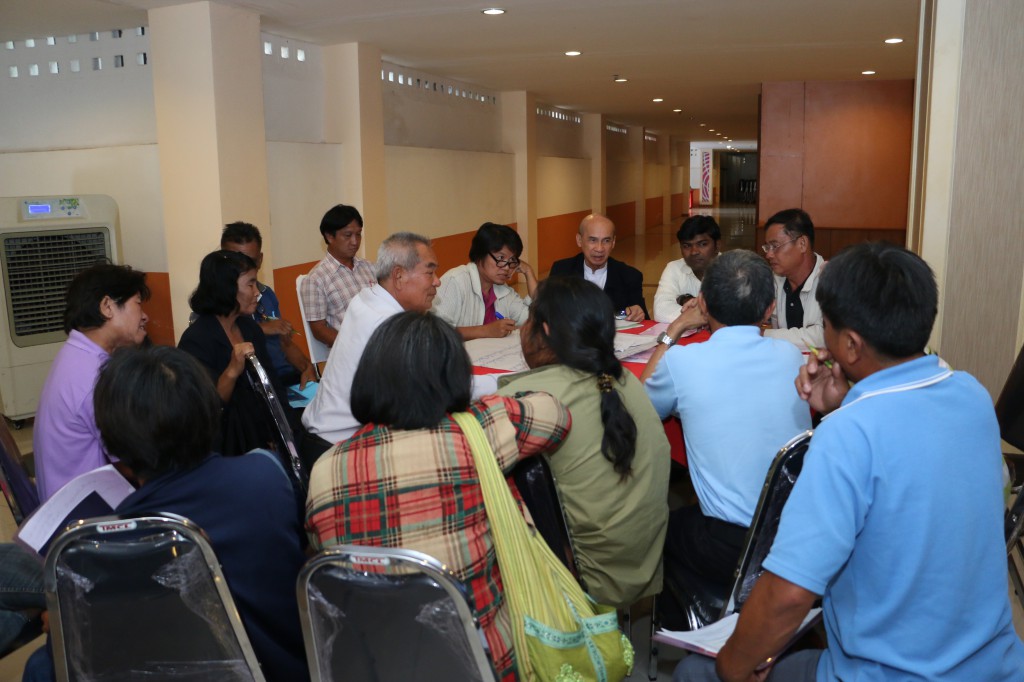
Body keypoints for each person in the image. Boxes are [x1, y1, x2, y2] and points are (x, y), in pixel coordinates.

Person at [680, 242, 1024, 682]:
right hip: (994, 665)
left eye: (825, 325)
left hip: (889, 674)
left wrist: (733, 666)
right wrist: (844, 403)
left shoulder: (846, 435)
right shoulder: (971, 394)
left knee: (696, 671)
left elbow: (788, 595)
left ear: (850, 344)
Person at [305, 311, 570, 682]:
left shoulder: (325, 470)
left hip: (378, 666)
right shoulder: (476, 433)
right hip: (485, 663)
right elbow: (556, 413)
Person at [22, 346, 309, 682]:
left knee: (41, 665)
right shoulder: (268, 475)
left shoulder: (105, 545)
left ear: (113, 444)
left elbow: (85, 655)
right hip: (287, 670)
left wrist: (64, 620)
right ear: (209, 412)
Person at [642, 250, 811, 611]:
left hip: (730, 546)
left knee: (656, 526)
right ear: (769, 309)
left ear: (702, 303)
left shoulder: (684, 361)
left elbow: (641, 406)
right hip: (796, 536)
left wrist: (675, 329)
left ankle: (686, 620)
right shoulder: (791, 357)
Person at [496, 276, 670, 608]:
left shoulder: (527, 400)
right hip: (644, 566)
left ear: (545, 331)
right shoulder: (623, 380)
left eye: (529, 319)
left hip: (581, 584)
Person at [301, 232, 440, 455]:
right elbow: (435, 389)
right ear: (399, 276)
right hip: (338, 449)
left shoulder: (366, 298)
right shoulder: (387, 324)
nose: (437, 281)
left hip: (320, 433)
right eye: (430, 272)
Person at [34, 262, 150, 501]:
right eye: (138, 303)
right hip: (87, 514)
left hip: (67, 503)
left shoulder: (76, 356)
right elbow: (135, 465)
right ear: (107, 307)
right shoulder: (96, 376)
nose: (145, 316)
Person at [178, 250, 291, 456]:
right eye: (250, 285)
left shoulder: (250, 328)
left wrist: (285, 432)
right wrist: (232, 370)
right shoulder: (196, 340)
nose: (257, 292)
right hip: (225, 443)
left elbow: (272, 386)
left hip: (261, 433)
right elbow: (207, 407)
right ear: (227, 288)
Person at [220, 221, 315, 387]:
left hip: (284, 378)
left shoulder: (266, 295)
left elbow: (284, 343)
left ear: (260, 260)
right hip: (252, 385)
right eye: (234, 261)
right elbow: (223, 348)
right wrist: (261, 329)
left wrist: (306, 367)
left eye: (249, 261)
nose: (242, 268)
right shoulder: (215, 304)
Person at [431, 222, 538, 340]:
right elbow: (435, 333)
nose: (507, 267)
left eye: (512, 260)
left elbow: (533, 319)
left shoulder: (502, 290)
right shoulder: (456, 281)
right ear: (480, 254)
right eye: (501, 258)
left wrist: (528, 271)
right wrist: (485, 330)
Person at [299, 204, 376, 347]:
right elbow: (319, 330)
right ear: (329, 237)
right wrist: (353, 346)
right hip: (351, 351)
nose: (355, 241)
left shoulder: (371, 268)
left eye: (358, 234)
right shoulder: (315, 280)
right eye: (348, 235)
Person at [549, 213, 648, 322]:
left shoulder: (629, 276)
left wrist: (637, 313)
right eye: (593, 240)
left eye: (606, 241)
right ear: (579, 240)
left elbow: (645, 320)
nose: (599, 249)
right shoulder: (562, 271)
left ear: (613, 242)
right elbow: (548, 313)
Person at [760, 208, 825, 350]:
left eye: (775, 246)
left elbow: (822, 336)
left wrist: (765, 334)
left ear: (802, 244)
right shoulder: (772, 280)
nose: (769, 254)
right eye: (767, 247)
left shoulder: (829, 279)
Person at [653, 215, 720, 323]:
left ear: (717, 245)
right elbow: (661, 311)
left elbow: (736, 314)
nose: (694, 252)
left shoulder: (733, 270)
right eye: (687, 246)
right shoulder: (674, 268)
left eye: (702, 244)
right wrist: (708, 315)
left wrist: (683, 302)